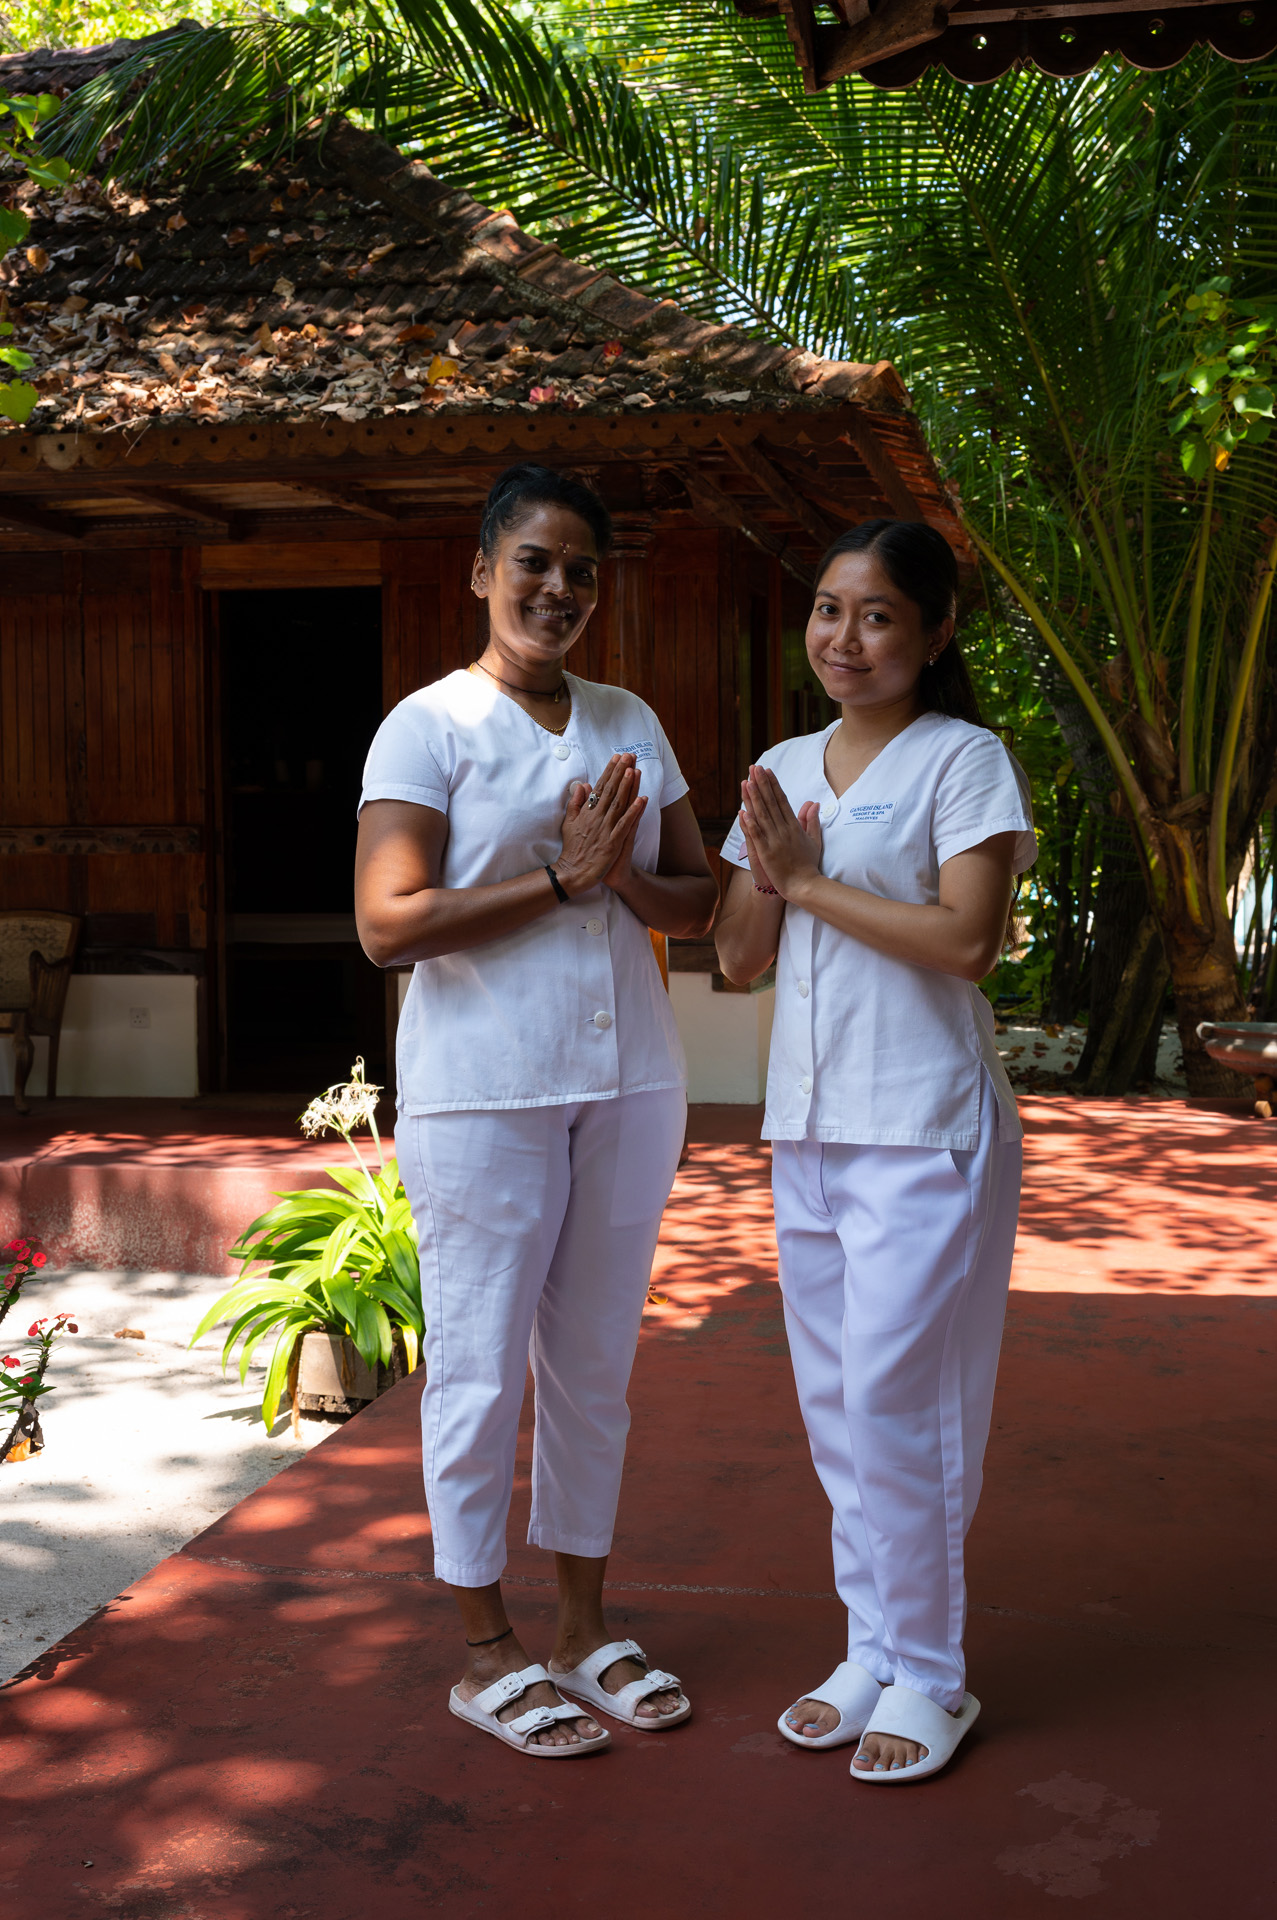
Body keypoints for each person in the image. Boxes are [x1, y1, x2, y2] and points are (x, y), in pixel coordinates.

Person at [355, 464, 717, 1759]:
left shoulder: (631, 718)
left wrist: (619, 882)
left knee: (595, 1371)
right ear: (482, 572)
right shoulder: (428, 727)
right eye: (532, 564)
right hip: (485, 1093)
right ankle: (481, 1645)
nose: (556, 589)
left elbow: (705, 906)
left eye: (579, 571)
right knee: (478, 1366)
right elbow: (386, 924)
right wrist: (559, 884)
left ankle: (580, 1626)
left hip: (627, 1084)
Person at [715, 518, 1036, 1785]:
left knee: (907, 1409)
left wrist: (803, 876)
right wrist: (765, 870)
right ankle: (872, 1648)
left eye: (878, 615)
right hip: (807, 1125)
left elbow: (966, 941)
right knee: (837, 1415)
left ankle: (934, 1677)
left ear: (933, 631)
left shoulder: (966, 760)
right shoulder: (784, 763)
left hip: (924, 1129)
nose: (844, 639)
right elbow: (740, 958)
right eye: (828, 611)